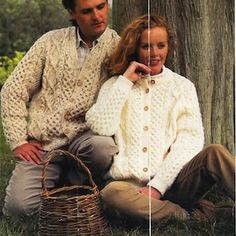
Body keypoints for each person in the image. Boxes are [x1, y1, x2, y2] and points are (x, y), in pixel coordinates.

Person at [86, 14, 235, 222]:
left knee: (215, 153)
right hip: (132, 190)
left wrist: (158, 186)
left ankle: (175, 207)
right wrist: (125, 82)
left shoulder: (182, 87)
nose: (154, 54)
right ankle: (188, 214)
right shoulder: (115, 85)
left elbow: (190, 142)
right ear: (134, 48)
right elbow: (100, 126)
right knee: (111, 194)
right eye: (147, 46)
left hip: (175, 182)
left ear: (168, 47)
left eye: (161, 45)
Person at [1, 0, 120, 217]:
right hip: (44, 145)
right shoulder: (50, 42)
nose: (97, 16)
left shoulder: (119, 48)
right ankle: (66, 187)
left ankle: (73, 183)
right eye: (87, 11)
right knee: (18, 209)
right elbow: (13, 90)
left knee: (103, 148)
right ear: (72, 13)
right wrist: (18, 141)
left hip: (85, 141)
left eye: (101, 6)